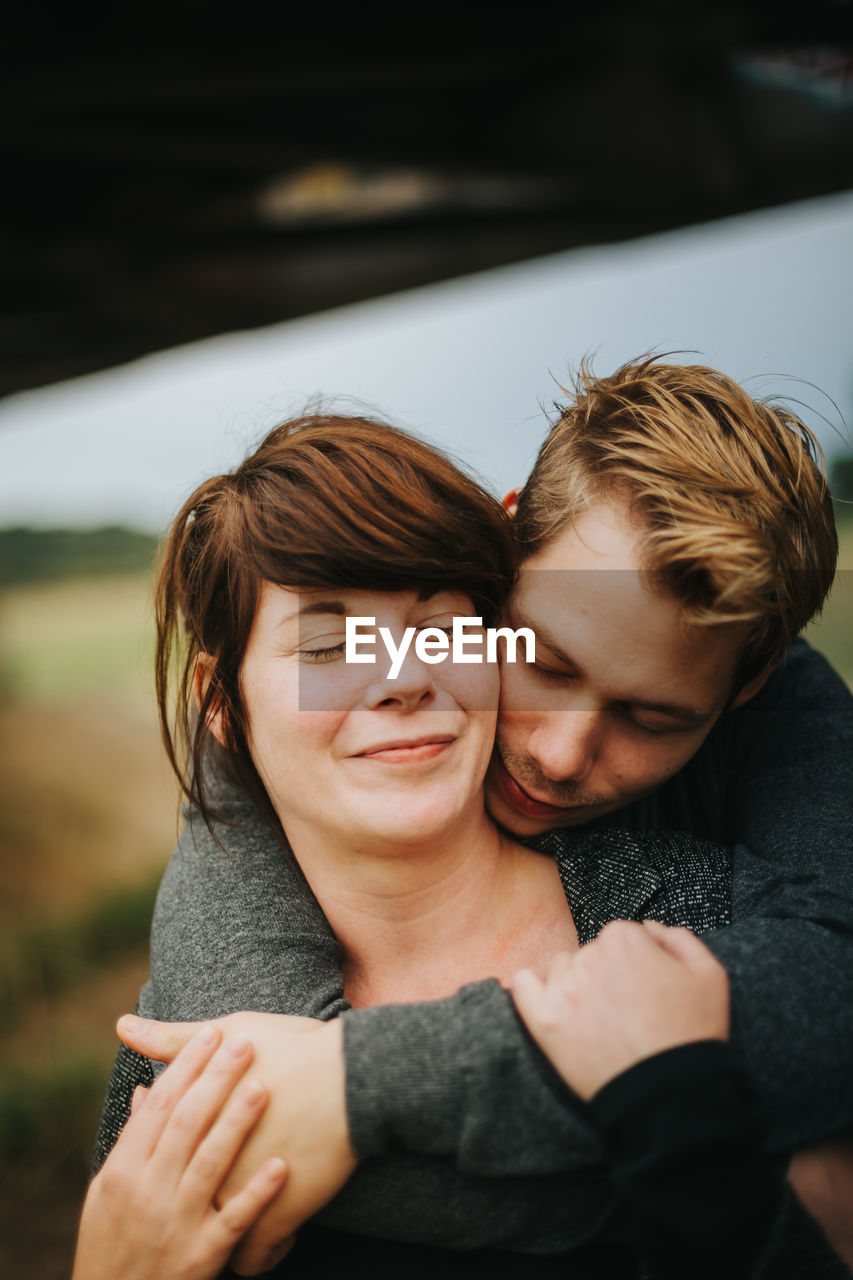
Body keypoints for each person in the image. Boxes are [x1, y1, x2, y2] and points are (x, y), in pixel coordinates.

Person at [98, 361, 853, 1268]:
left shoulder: (711, 890)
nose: (560, 756)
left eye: (652, 719)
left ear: (742, 693)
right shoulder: (190, 1033)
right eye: (543, 661)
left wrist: (350, 1085)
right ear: (500, 554)